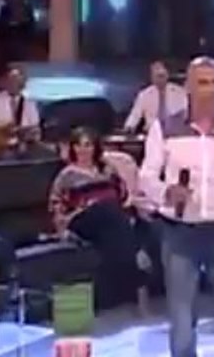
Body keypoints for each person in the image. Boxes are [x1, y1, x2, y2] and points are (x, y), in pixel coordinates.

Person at [139, 56, 214, 357]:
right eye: (204, 82)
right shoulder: (165, 128)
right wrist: (166, 192)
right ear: (189, 88)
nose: (212, 89)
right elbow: (146, 176)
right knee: (182, 322)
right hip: (179, 233)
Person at [49, 127, 150, 312]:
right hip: (80, 219)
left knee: (113, 226)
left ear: (95, 148)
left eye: (88, 145)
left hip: (109, 220)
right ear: (72, 148)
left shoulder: (107, 170)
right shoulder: (66, 176)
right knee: (107, 210)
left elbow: (123, 195)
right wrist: (62, 229)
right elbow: (57, 206)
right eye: (79, 145)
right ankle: (137, 261)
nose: (83, 150)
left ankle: (116, 292)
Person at [123, 61, 187, 134]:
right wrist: (129, 127)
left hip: (174, 132)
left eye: (161, 76)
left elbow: (186, 112)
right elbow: (135, 114)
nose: (159, 79)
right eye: (156, 76)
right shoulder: (144, 94)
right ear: (152, 77)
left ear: (167, 75)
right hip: (151, 132)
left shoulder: (179, 92)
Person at [0, 0, 37, 65]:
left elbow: (31, 26)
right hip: (7, 41)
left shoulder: (27, 9)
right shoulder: (4, 9)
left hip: (24, 40)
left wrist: (21, 21)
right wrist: (13, 22)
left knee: (20, 48)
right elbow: (2, 25)